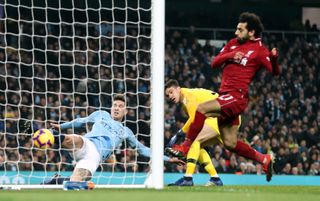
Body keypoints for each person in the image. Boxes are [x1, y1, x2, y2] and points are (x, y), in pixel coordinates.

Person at [169, 12, 280, 182]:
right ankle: (263, 159)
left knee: (202, 109)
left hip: (237, 97)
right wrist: (230, 55)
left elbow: (275, 72)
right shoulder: (232, 44)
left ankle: (185, 147)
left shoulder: (259, 51)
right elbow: (214, 62)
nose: (236, 33)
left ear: (251, 32)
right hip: (225, 96)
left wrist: (273, 59)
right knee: (230, 143)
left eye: (240, 30)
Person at [25, 95, 184, 185]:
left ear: (125, 110)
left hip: (95, 158)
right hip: (87, 144)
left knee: (76, 183)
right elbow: (81, 121)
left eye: (120, 106)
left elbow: (144, 150)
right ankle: (40, 131)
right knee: (72, 139)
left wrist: (168, 159)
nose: (116, 108)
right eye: (114, 105)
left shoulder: (126, 131)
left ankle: (55, 180)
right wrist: (61, 126)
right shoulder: (101, 114)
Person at [165, 79, 223, 186]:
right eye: (168, 95)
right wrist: (180, 133)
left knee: (194, 141)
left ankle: (188, 178)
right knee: (198, 145)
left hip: (222, 115)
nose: (170, 96)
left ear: (178, 89)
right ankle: (215, 178)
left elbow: (193, 119)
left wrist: (178, 134)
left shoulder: (188, 96)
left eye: (171, 92)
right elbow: (195, 119)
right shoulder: (187, 98)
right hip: (218, 115)